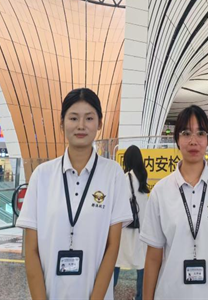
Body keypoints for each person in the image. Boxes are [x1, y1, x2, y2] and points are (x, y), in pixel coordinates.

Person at [17, 88, 133, 300]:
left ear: (99, 123)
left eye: (89, 118)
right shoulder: (42, 175)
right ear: (62, 124)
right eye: (73, 118)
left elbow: (112, 246)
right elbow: (31, 250)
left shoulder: (113, 174)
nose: (81, 125)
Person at [140, 105, 208, 300]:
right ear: (177, 140)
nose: (193, 141)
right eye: (186, 133)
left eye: (200, 133)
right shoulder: (161, 191)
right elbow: (153, 257)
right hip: (170, 294)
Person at [114, 145, 149, 300]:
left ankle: (108, 292)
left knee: (115, 260)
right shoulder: (143, 177)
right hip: (141, 228)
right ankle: (140, 296)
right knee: (142, 263)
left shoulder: (125, 178)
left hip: (126, 228)